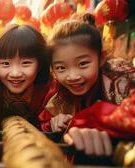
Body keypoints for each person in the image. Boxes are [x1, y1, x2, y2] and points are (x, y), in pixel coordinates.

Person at [39, 14, 135, 156]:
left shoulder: (123, 79)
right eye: (61, 68)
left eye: (83, 64)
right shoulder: (58, 94)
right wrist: (53, 124)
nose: (73, 76)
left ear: (101, 58)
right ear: (52, 69)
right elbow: (43, 122)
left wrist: (82, 121)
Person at [0, 24, 56, 129]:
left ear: (40, 64)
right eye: (6, 64)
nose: (15, 74)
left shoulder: (52, 93)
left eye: (25, 63)